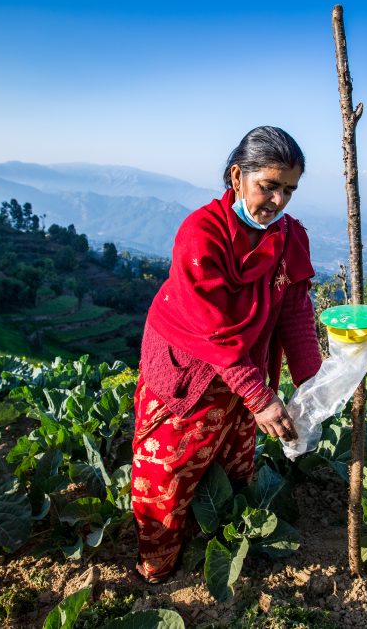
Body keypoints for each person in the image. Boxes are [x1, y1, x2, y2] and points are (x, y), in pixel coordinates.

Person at [130, 125, 322, 582]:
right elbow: (214, 333)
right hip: (187, 373)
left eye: (289, 190)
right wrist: (260, 397)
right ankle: (156, 568)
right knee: (167, 475)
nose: (277, 201)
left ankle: (208, 546)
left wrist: (314, 387)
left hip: (244, 371)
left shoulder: (290, 237)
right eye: (268, 186)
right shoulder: (201, 233)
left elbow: (295, 313)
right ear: (237, 177)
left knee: (232, 467)